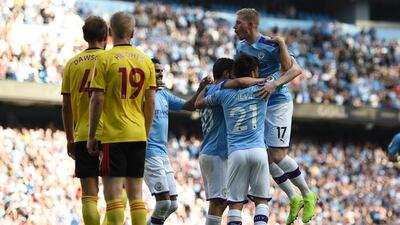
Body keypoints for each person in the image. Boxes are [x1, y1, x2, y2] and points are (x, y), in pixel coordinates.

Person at [234, 8, 317, 224]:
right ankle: (293, 197)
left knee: (278, 155)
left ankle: (308, 194)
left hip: (278, 104)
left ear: (251, 25)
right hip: (259, 104)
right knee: (264, 158)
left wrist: (274, 83)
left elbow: (293, 69)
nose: (235, 27)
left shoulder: (271, 44)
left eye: (238, 23)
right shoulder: (241, 47)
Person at [87, 12, 156, 225]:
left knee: (114, 197)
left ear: (109, 33)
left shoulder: (104, 59)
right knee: (136, 196)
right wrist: (145, 131)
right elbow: (151, 101)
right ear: (132, 33)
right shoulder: (146, 61)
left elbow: (97, 99)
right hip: (138, 133)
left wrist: (91, 136)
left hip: (114, 135)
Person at [196, 54, 271, 225]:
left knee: (231, 203)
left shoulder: (217, 92)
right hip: (220, 152)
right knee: (225, 203)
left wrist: (202, 88)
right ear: (226, 74)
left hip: (224, 151)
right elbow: (240, 83)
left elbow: (197, 104)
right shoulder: (261, 90)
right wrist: (263, 80)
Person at [144, 57, 210, 225]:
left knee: (172, 204)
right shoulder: (141, 94)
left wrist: (200, 89)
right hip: (148, 152)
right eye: (155, 71)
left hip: (162, 153)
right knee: (164, 202)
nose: (160, 74)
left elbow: (191, 105)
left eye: (161, 71)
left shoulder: (164, 95)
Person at [61, 15, 107, 225]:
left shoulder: (72, 64)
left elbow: (66, 107)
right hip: (111, 134)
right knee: (117, 191)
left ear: (84, 36)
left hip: (81, 134)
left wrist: (70, 139)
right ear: (106, 36)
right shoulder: (111, 61)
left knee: (89, 194)